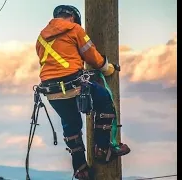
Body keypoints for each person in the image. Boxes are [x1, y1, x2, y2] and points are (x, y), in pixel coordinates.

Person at [35, 5, 130, 179]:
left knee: (70, 123)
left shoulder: (41, 37)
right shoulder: (75, 29)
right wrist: (107, 68)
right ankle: (103, 148)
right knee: (105, 101)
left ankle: (80, 168)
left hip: (52, 92)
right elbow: (92, 56)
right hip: (74, 85)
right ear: (72, 18)